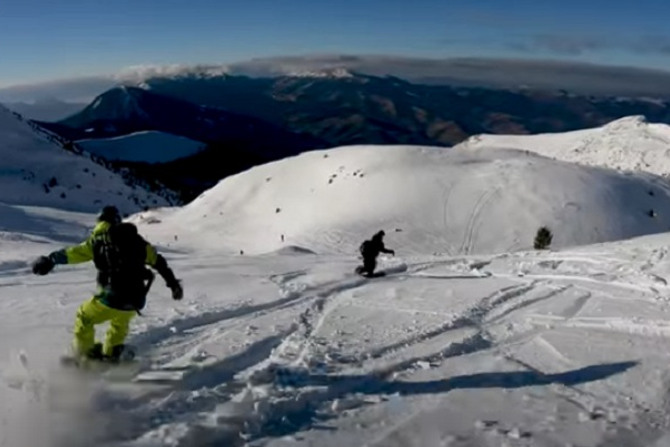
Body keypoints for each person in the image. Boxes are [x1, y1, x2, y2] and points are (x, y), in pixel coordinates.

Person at [31, 205, 183, 363]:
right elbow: (159, 262)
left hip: (112, 297)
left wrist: (51, 259)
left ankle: (84, 354)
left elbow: (74, 253)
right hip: (136, 300)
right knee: (120, 322)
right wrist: (173, 285)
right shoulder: (138, 242)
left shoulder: (98, 240)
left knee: (84, 317)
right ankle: (113, 353)